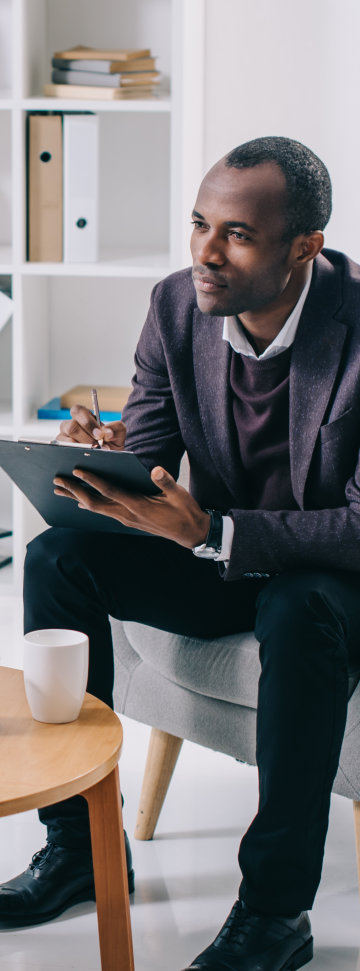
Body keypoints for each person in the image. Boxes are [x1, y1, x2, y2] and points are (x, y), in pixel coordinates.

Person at [1, 134, 360, 971]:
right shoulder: (176, 306)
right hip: (229, 558)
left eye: (236, 234)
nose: (205, 252)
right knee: (59, 557)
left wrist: (212, 532)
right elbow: (156, 455)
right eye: (200, 224)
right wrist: (103, 460)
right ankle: (80, 849)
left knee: (298, 604)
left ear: (305, 246)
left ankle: (275, 912)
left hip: (333, 580)